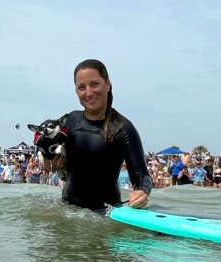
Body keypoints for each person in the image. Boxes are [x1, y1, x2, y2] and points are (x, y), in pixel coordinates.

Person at [36, 59, 152, 212]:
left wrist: (141, 192)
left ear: (108, 84)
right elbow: (42, 141)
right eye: (82, 87)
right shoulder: (70, 121)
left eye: (94, 84)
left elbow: (142, 177)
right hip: (67, 212)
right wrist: (51, 163)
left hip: (106, 214)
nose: (89, 93)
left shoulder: (122, 128)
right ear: (76, 91)